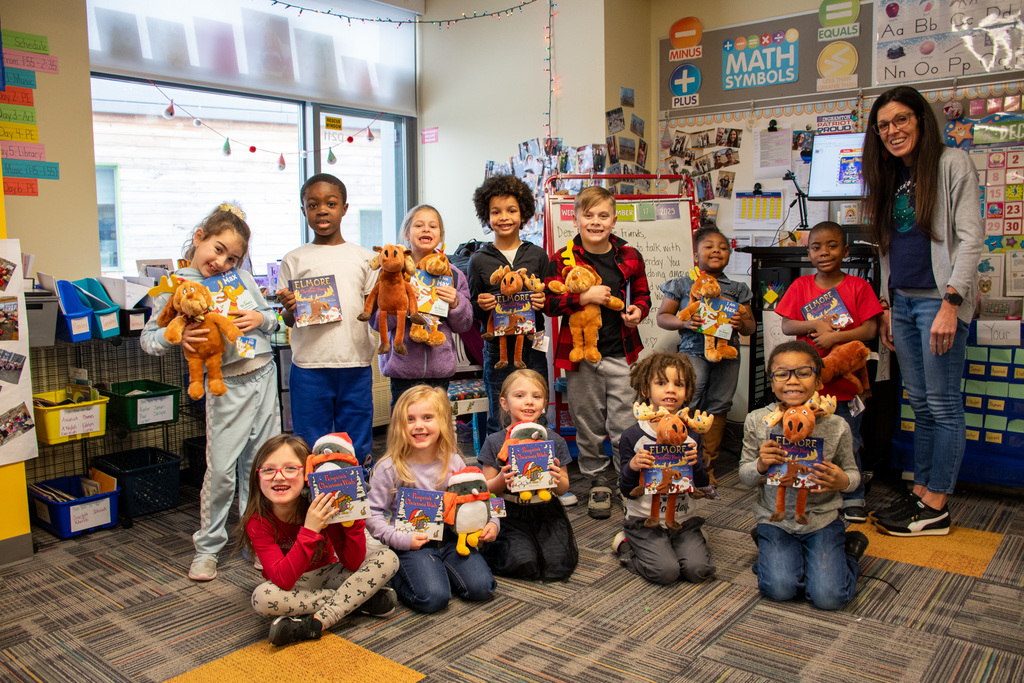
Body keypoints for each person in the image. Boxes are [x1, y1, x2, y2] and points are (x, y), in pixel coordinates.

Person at [862, 86, 983, 536]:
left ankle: (937, 502)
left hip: (940, 301)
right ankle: (922, 493)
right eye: (883, 125)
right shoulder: (891, 175)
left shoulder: (952, 163)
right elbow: (888, 249)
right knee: (921, 404)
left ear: (921, 120)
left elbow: (971, 239)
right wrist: (889, 306)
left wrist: (952, 303)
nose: (892, 131)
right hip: (906, 302)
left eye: (900, 120)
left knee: (944, 404)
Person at [141, 203, 280, 582]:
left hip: (263, 376)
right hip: (226, 386)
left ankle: (259, 541)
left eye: (233, 257)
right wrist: (179, 335)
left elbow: (273, 318)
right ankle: (207, 548)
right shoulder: (175, 287)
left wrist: (261, 319)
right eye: (218, 249)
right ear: (200, 238)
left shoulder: (243, 279)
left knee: (262, 468)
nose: (222, 262)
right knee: (221, 471)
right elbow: (149, 339)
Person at [545, 185, 650, 519]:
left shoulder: (631, 256)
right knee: (587, 423)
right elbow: (549, 304)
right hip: (580, 356)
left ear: (613, 220)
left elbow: (643, 295)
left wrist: (638, 312)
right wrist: (582, 298)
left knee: (624, 422)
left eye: (602, 215)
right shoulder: (560, 259)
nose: (595, 222)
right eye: (588, 215)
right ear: (575, 218)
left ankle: (626, 478)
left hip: (622, 353)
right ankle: (595, 479)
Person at [740, 341, 868, 610]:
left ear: (819, 381)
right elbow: (745, 476)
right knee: (780, 589)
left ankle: (850, 555)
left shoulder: (836, 425)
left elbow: (854, 474)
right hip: (775, 519)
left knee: (828, 598)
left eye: (804, 372)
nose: (793, 380)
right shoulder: (757, 421)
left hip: (821, 520)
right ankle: (774, 549)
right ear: (772, 382)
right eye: (782, 373)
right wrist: (761, 465)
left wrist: (842, 481)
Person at [239, 434, 400, 646]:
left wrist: (353, 523)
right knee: (261, 598)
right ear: (257, 477)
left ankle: (318, 621)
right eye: (269, 470)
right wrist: (310, 530)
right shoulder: (257, 521)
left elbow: (352, 562)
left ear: (307, 474)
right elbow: (283, 579)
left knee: (388, 558)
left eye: (290, 468)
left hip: (329, 574)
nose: (279, 477)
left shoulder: (321, 501)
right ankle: (355, 601)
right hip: (292, 587)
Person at [774, 221, 883, 523]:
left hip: (846, 387)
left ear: (845, 251)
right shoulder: (801, 286)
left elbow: (871, 329)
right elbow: (786, 325)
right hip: (808, 387)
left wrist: (835, 337)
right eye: (816, 247)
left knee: (849, 439)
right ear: (808, 253)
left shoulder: (858, 286)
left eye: (832, 246)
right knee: (811, 439)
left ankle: (853, 496)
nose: (824, 252)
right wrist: (815, 326)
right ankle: (809, 490)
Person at [365, 385, 498, 613]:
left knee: (483, 588)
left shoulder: (454, 462)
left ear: (443, 423)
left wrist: (492, 523)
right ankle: (393, 577)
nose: (419, 426)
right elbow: (372, 513)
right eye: (410, 419)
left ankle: (438, 570)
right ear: (399, 426)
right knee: (433, 599)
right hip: (412, 543)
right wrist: (398, 540)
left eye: (428, 417)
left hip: (453, 539)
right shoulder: (388, 468)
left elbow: (478, 497)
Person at [276, 174, 377, 463]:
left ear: (344, 208)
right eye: (312, 204)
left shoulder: (365, 258)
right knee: (310, 443)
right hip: (310, 366)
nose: (322, 210)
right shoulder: (294, 259)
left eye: (331, 203)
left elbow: (375, 310)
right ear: (304, 210)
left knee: (356, 442)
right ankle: (312, 501)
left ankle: (358, 499)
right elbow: (288, 320)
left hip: (355, 363)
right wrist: (289, 308)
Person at [657, 227, 756, 485]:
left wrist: (740, 320)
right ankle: (678, 458)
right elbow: (662, 318)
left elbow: (751, 327)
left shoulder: (737, 288)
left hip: (727, 354)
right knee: (688, 400)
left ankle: (707, 466)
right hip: (693, 353)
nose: (716, 251)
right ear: (695, 253)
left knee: (719, 405)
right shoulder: (681, 284)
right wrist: (685, 323)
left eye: (723, 248)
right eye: (709, 246)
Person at [613, 352, 715, 585]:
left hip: (683, 520)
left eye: (678, 384)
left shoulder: (692, 435)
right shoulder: (633, 436)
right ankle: (627, 545)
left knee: (698, 570)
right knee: (666, 573)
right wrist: (632, 466)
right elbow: (627, 489)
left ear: (687, 392)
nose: (671, 390)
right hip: (644, 521)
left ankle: (689, 540)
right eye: (661, 383)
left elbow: (700, 484)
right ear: (646, 390)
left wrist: (696, 465)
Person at [468, 175, 552, 438]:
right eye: (496, 212)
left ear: (523, 213)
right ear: (487, 215)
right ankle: (498, 477)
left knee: (537, 415)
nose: (504, 217)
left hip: (533, 349)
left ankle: (539, 473)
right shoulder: (478, 260)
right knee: (499, 416)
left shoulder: (538, 255)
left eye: (511, 210)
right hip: (497, 352)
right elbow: (472, 311)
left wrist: (543, 300)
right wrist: (480, 304)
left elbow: (550, 302)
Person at [477, 370, 578, 581]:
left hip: (546, 510)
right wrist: (500, 480)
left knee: (557, 565)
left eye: (537, 396)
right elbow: (485, 489)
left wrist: (557, 478)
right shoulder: (495, 441)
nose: (529, 402)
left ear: (544, 403)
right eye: (520, 396)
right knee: (524, 563)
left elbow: (564, 488)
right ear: (504, 403)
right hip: (509, 512)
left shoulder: (554, 440)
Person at [370, 205, 474, 406]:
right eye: (419, 225)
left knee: (436, 424)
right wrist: (398, 301)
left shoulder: (453, 274)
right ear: (407, 233)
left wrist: (456, 303)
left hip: (440, 370)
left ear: (441, 235)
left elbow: (465, 325)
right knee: (405, 426)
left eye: (432, 226)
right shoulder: (391, 273)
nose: (426, 229)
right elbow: (377, 322)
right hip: (403, 370)